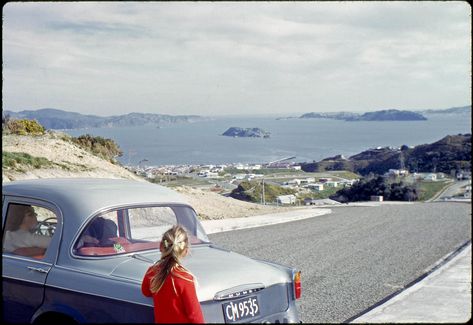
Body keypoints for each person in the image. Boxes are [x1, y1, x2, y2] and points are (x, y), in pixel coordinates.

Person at [141, 225, 204, 323]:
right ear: (186, 251)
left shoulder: (152, 272)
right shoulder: (185, 278)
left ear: (161, 246)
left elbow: (145, 291)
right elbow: (195, 316)